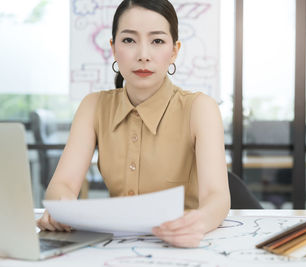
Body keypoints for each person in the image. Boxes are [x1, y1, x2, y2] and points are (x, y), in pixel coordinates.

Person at [36, 0, 230, 248]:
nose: (143, 55)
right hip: (114, 246)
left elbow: (217, 198)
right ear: (114, 49)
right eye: (129, 40)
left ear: (174, 50)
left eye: (157, 41)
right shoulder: (93, 105)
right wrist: (61, 209)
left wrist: (198, 222)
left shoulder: (200, 108)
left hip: (181, 246)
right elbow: (61, 185)